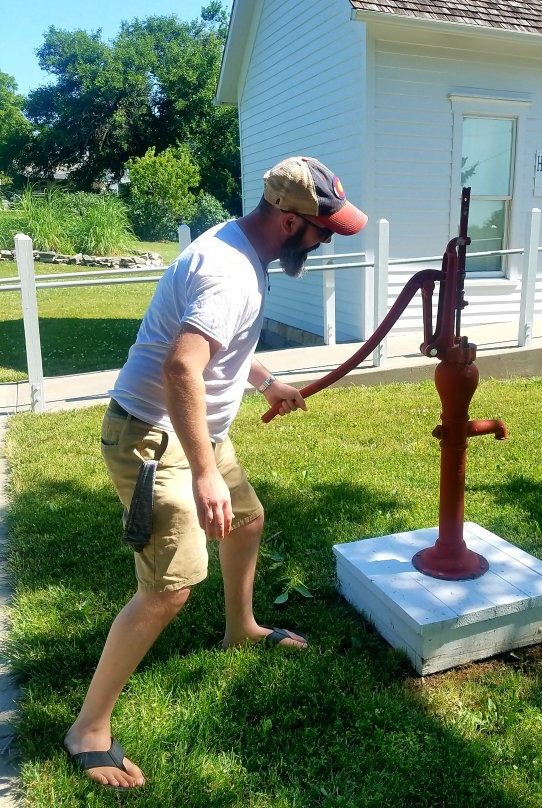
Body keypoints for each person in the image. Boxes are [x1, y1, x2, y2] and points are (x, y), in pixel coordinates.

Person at [63, 156, 368, 790]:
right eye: (323, 230)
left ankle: (241, 630)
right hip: (155, 435)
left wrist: (265, 382)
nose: (326, 240)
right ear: (289, 221)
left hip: (197, 430)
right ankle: (88, 729)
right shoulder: (228, 272)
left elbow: (226, 346)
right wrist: (203, 473)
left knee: (248, 523)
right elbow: (181, 368)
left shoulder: (242, 251)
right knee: (171, 586)